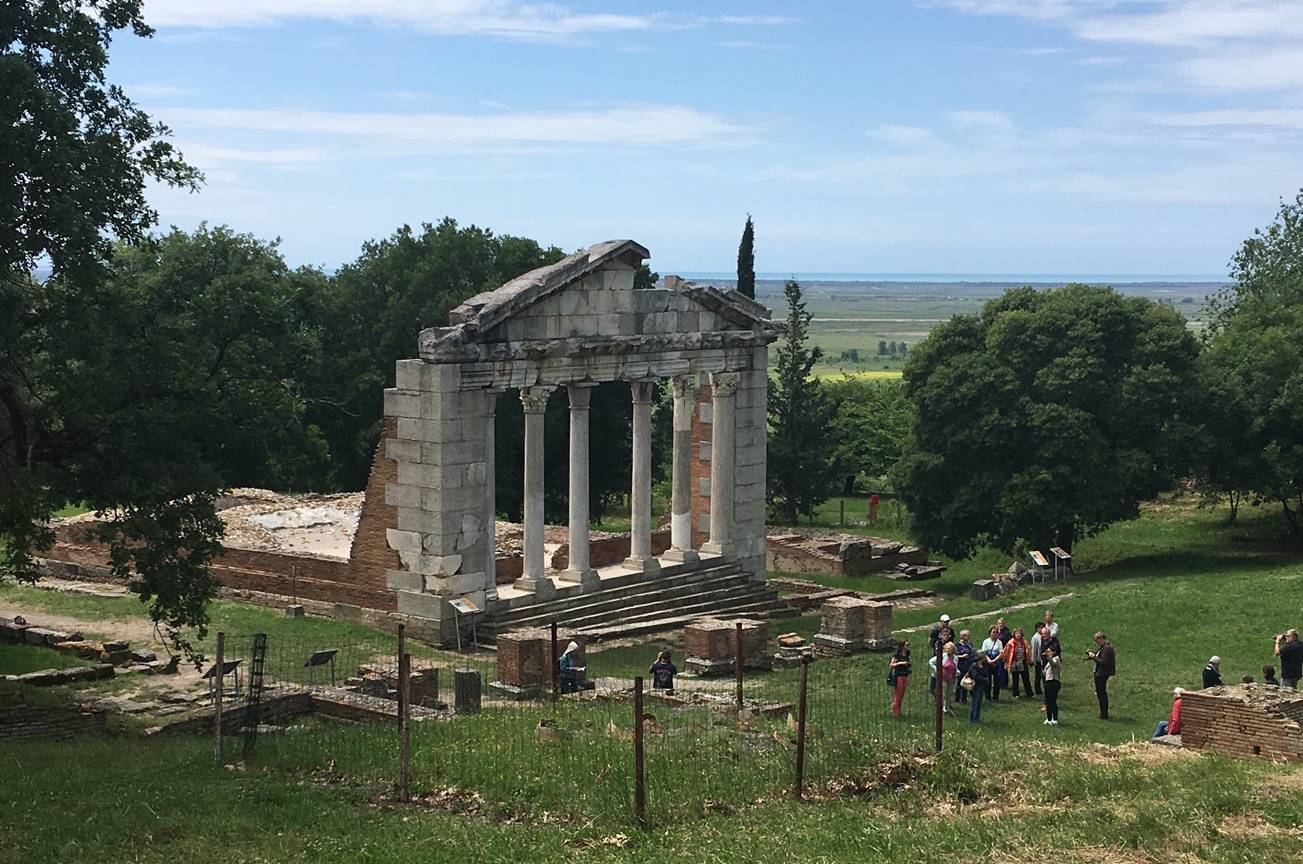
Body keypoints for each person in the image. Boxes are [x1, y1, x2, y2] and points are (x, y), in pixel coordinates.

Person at [1087, 631, 1116, 720]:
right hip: (1100, 673)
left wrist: (1094, 657)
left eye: (1098, 641)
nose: (1097, 643)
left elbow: (1103, 662)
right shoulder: (1103, 648)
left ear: (1102, 639)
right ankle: (1103, 713)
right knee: (1100, 693)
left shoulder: (1107, 649)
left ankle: (1104, 714)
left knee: (1102, 694)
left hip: (1102, 674)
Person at [1002, 627, 1033, 699]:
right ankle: (1015, 693)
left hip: (1022, 661)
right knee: (1015, 679)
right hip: (1014, 662)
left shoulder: (1024, 642)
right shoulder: (1010, 642)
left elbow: (1028, 652)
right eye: (1016, 633)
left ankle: (1029, 693)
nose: (1018, 635)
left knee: (1026, 678)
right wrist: (1005, 660)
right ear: (1014, 634)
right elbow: (1005, 652)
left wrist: (1029, 661)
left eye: (1019, 633)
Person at [1042, 637, 1063, 725]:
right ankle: (1049, 718)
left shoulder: (1056, 659)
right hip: (1048, 682)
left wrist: (1048, 657)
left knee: (1052, 701)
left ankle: (1055, 718)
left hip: (1054, 682)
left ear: (1054, 652)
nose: (1048, 653)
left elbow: (1053, 664)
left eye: (1050, 651)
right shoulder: (1048, 661)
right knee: (1047, 701)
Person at [981, 625, 1004, 701]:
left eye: (996, 632)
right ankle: (987, 696)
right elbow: (983, 652)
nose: (995, 634)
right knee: (988, 680)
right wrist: (989, 661)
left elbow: (1001, 653)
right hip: (987, 663)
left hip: (996, 663)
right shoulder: (986, 641)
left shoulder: (999, 642)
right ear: (990, 633)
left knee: (997, 680)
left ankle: (996, 696)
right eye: (993, 632)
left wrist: (994, 660)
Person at [889, 640, 912, 718]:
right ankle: (895, 712)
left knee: (902, 693)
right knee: (898, 694)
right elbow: (892, 665)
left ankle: (899, 709)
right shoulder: (897, 655)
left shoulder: (907, 653)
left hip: (905, 674)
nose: (907, 647)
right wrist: (900, 663)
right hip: (898, 675)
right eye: (906, 645)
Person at [968, 655, 992, 724]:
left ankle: (977, 718)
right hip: (975, 687)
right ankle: (971, 720)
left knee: (979, 703)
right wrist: (984, 679)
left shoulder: (984, 665)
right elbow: (975, 676)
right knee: (974, 703)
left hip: (982, 686)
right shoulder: (974, 666)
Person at [954, 630, 976, 705]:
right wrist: (962, 656)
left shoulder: (969, 644)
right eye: (967, 635)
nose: (968, 636)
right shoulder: (957, 646)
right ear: (962, 636)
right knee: (959, 683)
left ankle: (964, 698)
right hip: (961, 666)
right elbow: (954, 656)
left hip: (969, 666)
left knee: (966, 682)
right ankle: (957, 698)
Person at [940, 641, 958, 715]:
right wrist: (937, 670)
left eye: (949, 648)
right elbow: (931, 661)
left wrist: (957, 673)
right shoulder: (942, 656)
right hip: (943, 677)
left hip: (952, 678)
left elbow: (956, 667)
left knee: (949, 694)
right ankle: (941, 708)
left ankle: (947, 708)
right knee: (943, 693)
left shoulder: (956, 658)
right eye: (947, 648)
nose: (948, 649)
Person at [1030, 624, 1046, 698]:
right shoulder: (1035, 638)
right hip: (1038, 660)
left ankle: (1046, 690)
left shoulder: (1044, 636)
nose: (1041, 629)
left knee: (1044, 675)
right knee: (1038, 676)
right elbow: (1034, 650)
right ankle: (1037, 690)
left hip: (1044, 660)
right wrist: (1034, 660)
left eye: (1042, 627)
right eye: (1039, 628)